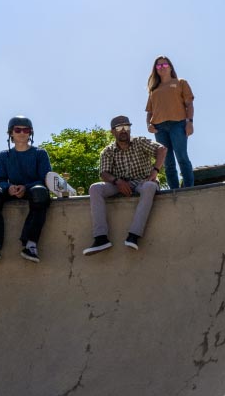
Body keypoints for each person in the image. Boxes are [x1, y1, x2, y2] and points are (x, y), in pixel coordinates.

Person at [83, 115, 167, 255]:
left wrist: (155, 171)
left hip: (142, 181)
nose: (123, 130)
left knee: (150, 186)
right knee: (95, 188)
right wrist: (117, 181)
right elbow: (104, 173)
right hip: (120, 184)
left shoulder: (140, 142)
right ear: (112, 131)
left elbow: (162, 149)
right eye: (119, 128)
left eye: (126, 126)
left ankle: (134, 235)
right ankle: (101, 238)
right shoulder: (108, 151)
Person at [0, 116, 53, 264]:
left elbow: (45, 178)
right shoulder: (3, 155)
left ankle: (30, 245)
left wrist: (26, 187)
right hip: (11, 189)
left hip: (32, 189)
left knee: (40, 192)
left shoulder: (40, 153)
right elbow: (0, 179)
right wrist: (8, 188)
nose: (22, 133)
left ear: (30, 133)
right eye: (18, 130)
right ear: (11, 133)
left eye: (26, 130)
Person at [146, 55, 195, 188]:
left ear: (170, 67)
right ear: (155, 69)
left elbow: (189, 104)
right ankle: (174, 191)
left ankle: (189, 189)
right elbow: (149, 112)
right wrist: (148, 124)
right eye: (158, 65)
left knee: (182, 157)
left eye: (165, 64)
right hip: (159, 128)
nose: (162, 67)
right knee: (167, 163)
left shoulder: (180, 82)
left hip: (178, 124)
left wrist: (189, 122)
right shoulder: (153, 89)